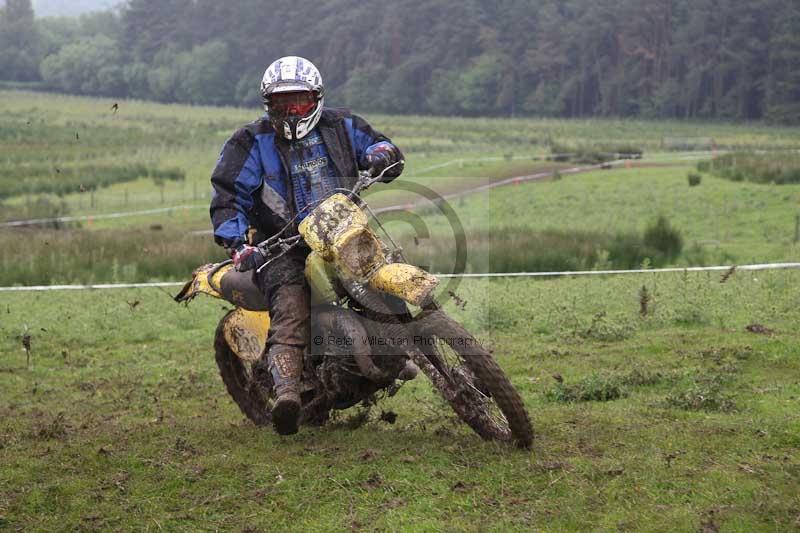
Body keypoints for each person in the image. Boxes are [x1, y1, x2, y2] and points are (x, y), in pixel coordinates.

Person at [209, 56, 404, 435]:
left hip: (343, 229)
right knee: (290, 299)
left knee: (382, 271)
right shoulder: (250, 141)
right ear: (269, 106)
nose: (291, 110)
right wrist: (238, 244)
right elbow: (228, 195)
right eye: (282, 104)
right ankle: (286, 391)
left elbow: (378, 145)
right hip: (282, 245)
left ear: (316, 98)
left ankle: (396, 347)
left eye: (299, 101)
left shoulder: (341, 124)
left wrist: (382, 154)